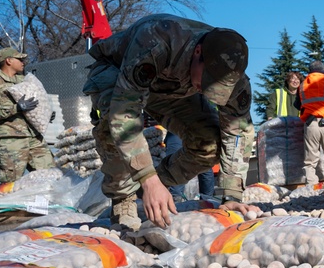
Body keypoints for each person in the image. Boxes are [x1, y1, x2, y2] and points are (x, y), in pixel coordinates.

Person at [83, 14, 258, 230]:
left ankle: (152, 189)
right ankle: (124, 199)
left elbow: (238, 132)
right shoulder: (157, 41)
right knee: (112, 123)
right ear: (198, 52)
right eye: (207, 81)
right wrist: (148, 177)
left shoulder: (234, 77)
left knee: (208, 144)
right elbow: (124, 115)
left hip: (174, 90)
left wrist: (231, 195)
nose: (207, 89)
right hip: (118, 72)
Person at [0, 47, 55, 183]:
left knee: (50, 176)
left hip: (34, 137)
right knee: (11, 183)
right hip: (11, 139)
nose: (23, 62)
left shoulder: (25, 81)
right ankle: (10, 205)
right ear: (8, 60)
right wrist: (16, 108)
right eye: (19, 59)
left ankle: (44, 204)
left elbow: (39, 100)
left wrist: (46, 112)